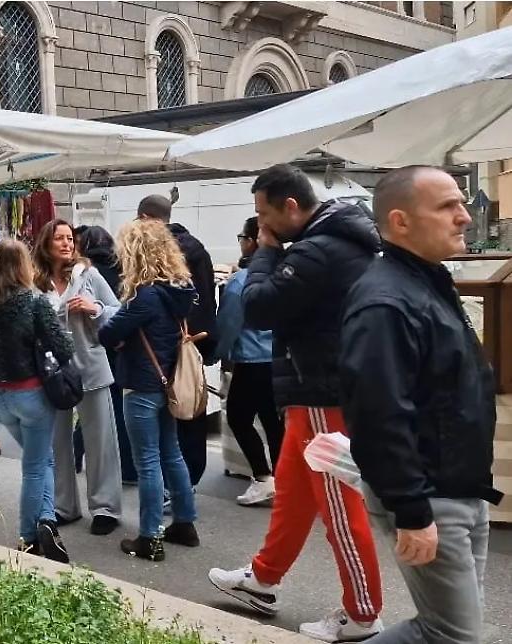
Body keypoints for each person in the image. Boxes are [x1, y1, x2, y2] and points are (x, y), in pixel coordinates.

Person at [208, 164, 384, 642]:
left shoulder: (317, 251)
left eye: (264, 215)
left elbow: (261, 307)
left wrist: (264, 255)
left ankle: (363, 613)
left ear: (290, 206)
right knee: (293, 489)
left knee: (339, 508)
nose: (260, 225)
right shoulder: (334, 242)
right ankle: (264, 578)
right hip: (315, 390)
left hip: (322, 392)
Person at [341, 166, 503, 644]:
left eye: (462, 203)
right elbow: (377, 414)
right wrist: (411, 509)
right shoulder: (386, 300)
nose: (465, 218)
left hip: (461, 489)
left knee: (459, 632)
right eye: (447, 206)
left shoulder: (427, 282)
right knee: (449, 635)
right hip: (432, 494)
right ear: (401, 221)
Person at [0, 239, 73, 562]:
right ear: (25, 265)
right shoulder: (34, 302)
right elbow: (64, 349)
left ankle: (47, 520)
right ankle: (28, 537)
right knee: (36, 465)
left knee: (42, 458)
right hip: (33, 395)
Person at [98, 219, 199, 562]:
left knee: (149, 462)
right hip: (167, 382)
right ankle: (184, 523)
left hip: (141, 384)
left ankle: (150, 536)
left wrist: (122, 333)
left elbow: (107, 335)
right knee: (171, 453)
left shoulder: (145, 296)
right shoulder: (179, 291)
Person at [32, 219, 124, 536]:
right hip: (52, 372)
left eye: (69, 238)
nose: (66, 243)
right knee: (57, 441)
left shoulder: (89, 275)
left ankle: (105, 508)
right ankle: (63, 506)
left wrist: (94, 307)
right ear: (45, 244)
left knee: (100, 441)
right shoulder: (35, 283)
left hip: (91, 366)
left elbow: (117, 311)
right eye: (58, 238)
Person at [138, 195, 216, 486]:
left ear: (146, 219)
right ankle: (190, 477)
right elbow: (207, 298)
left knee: (166, 415)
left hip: (167, 343)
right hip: (195, 340)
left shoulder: (160, 250)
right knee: (191, 405)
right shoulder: (197, 247)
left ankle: (177, 483)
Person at [214, 216, 283, 507]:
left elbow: (229, 324)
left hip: (252, 360)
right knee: (274, 422)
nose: (241, 244)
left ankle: (263, 477)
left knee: (239, 418)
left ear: (253, 241)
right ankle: (284, 480)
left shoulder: (242, 281)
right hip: (281, 360)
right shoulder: (286, 273)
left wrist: (215, 354)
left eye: (243, 238)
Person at [77, 225, 139, 487]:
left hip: (97, 346)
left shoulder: (89, 274)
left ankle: (76, 451)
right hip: (122, 346)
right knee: (116, 408)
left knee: (99, 407)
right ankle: (126, 468)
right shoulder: (124, 269)